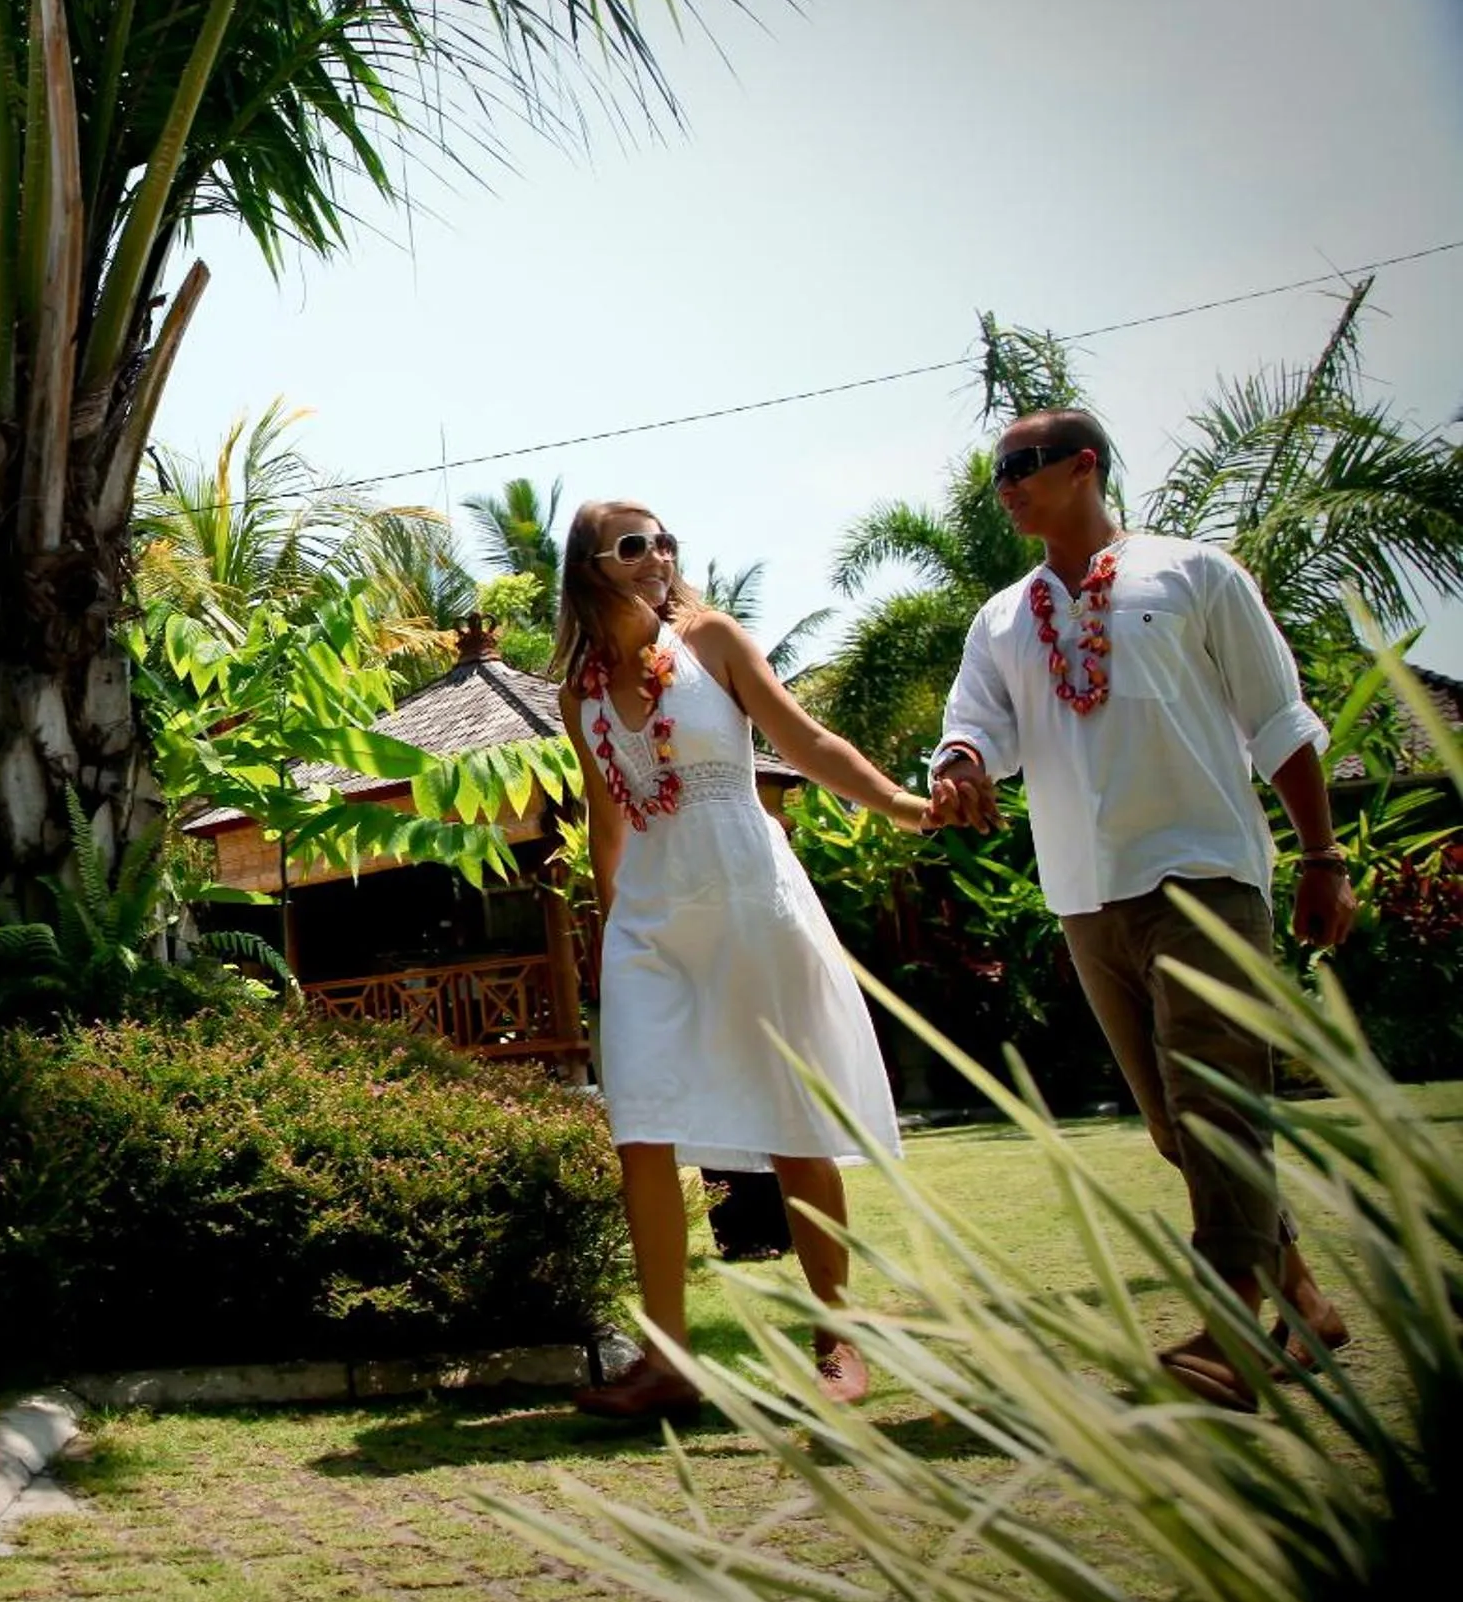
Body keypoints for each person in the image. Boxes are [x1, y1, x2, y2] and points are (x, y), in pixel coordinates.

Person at [929, 408, 1354, 1411]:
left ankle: (1230, 1325)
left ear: (1084, 466)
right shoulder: (1002, 617)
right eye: (997, 472)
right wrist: (959, 763)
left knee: (1217, 1103)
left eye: (1023, 466)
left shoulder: (1196, 574)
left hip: (1203, 872)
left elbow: (1278, 719)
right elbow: (976, 726)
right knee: (1174, 1123)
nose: (1006, 486)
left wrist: (1323, 857)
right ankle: (1305, 1304)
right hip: (1085, 891)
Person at [558, 500, 931, 1419]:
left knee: (792, 1117)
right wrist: (613, 929)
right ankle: (668, 1361)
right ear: (592, 567)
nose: (659, 558)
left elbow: (802, 741)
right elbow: (608, 816)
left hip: (746, 894)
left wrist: (900, 803)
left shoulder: (711, 642)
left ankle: (837, 1338)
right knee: (638, 1125)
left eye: (665, 542)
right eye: (634, 545)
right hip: (652, 917)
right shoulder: (580, 691)